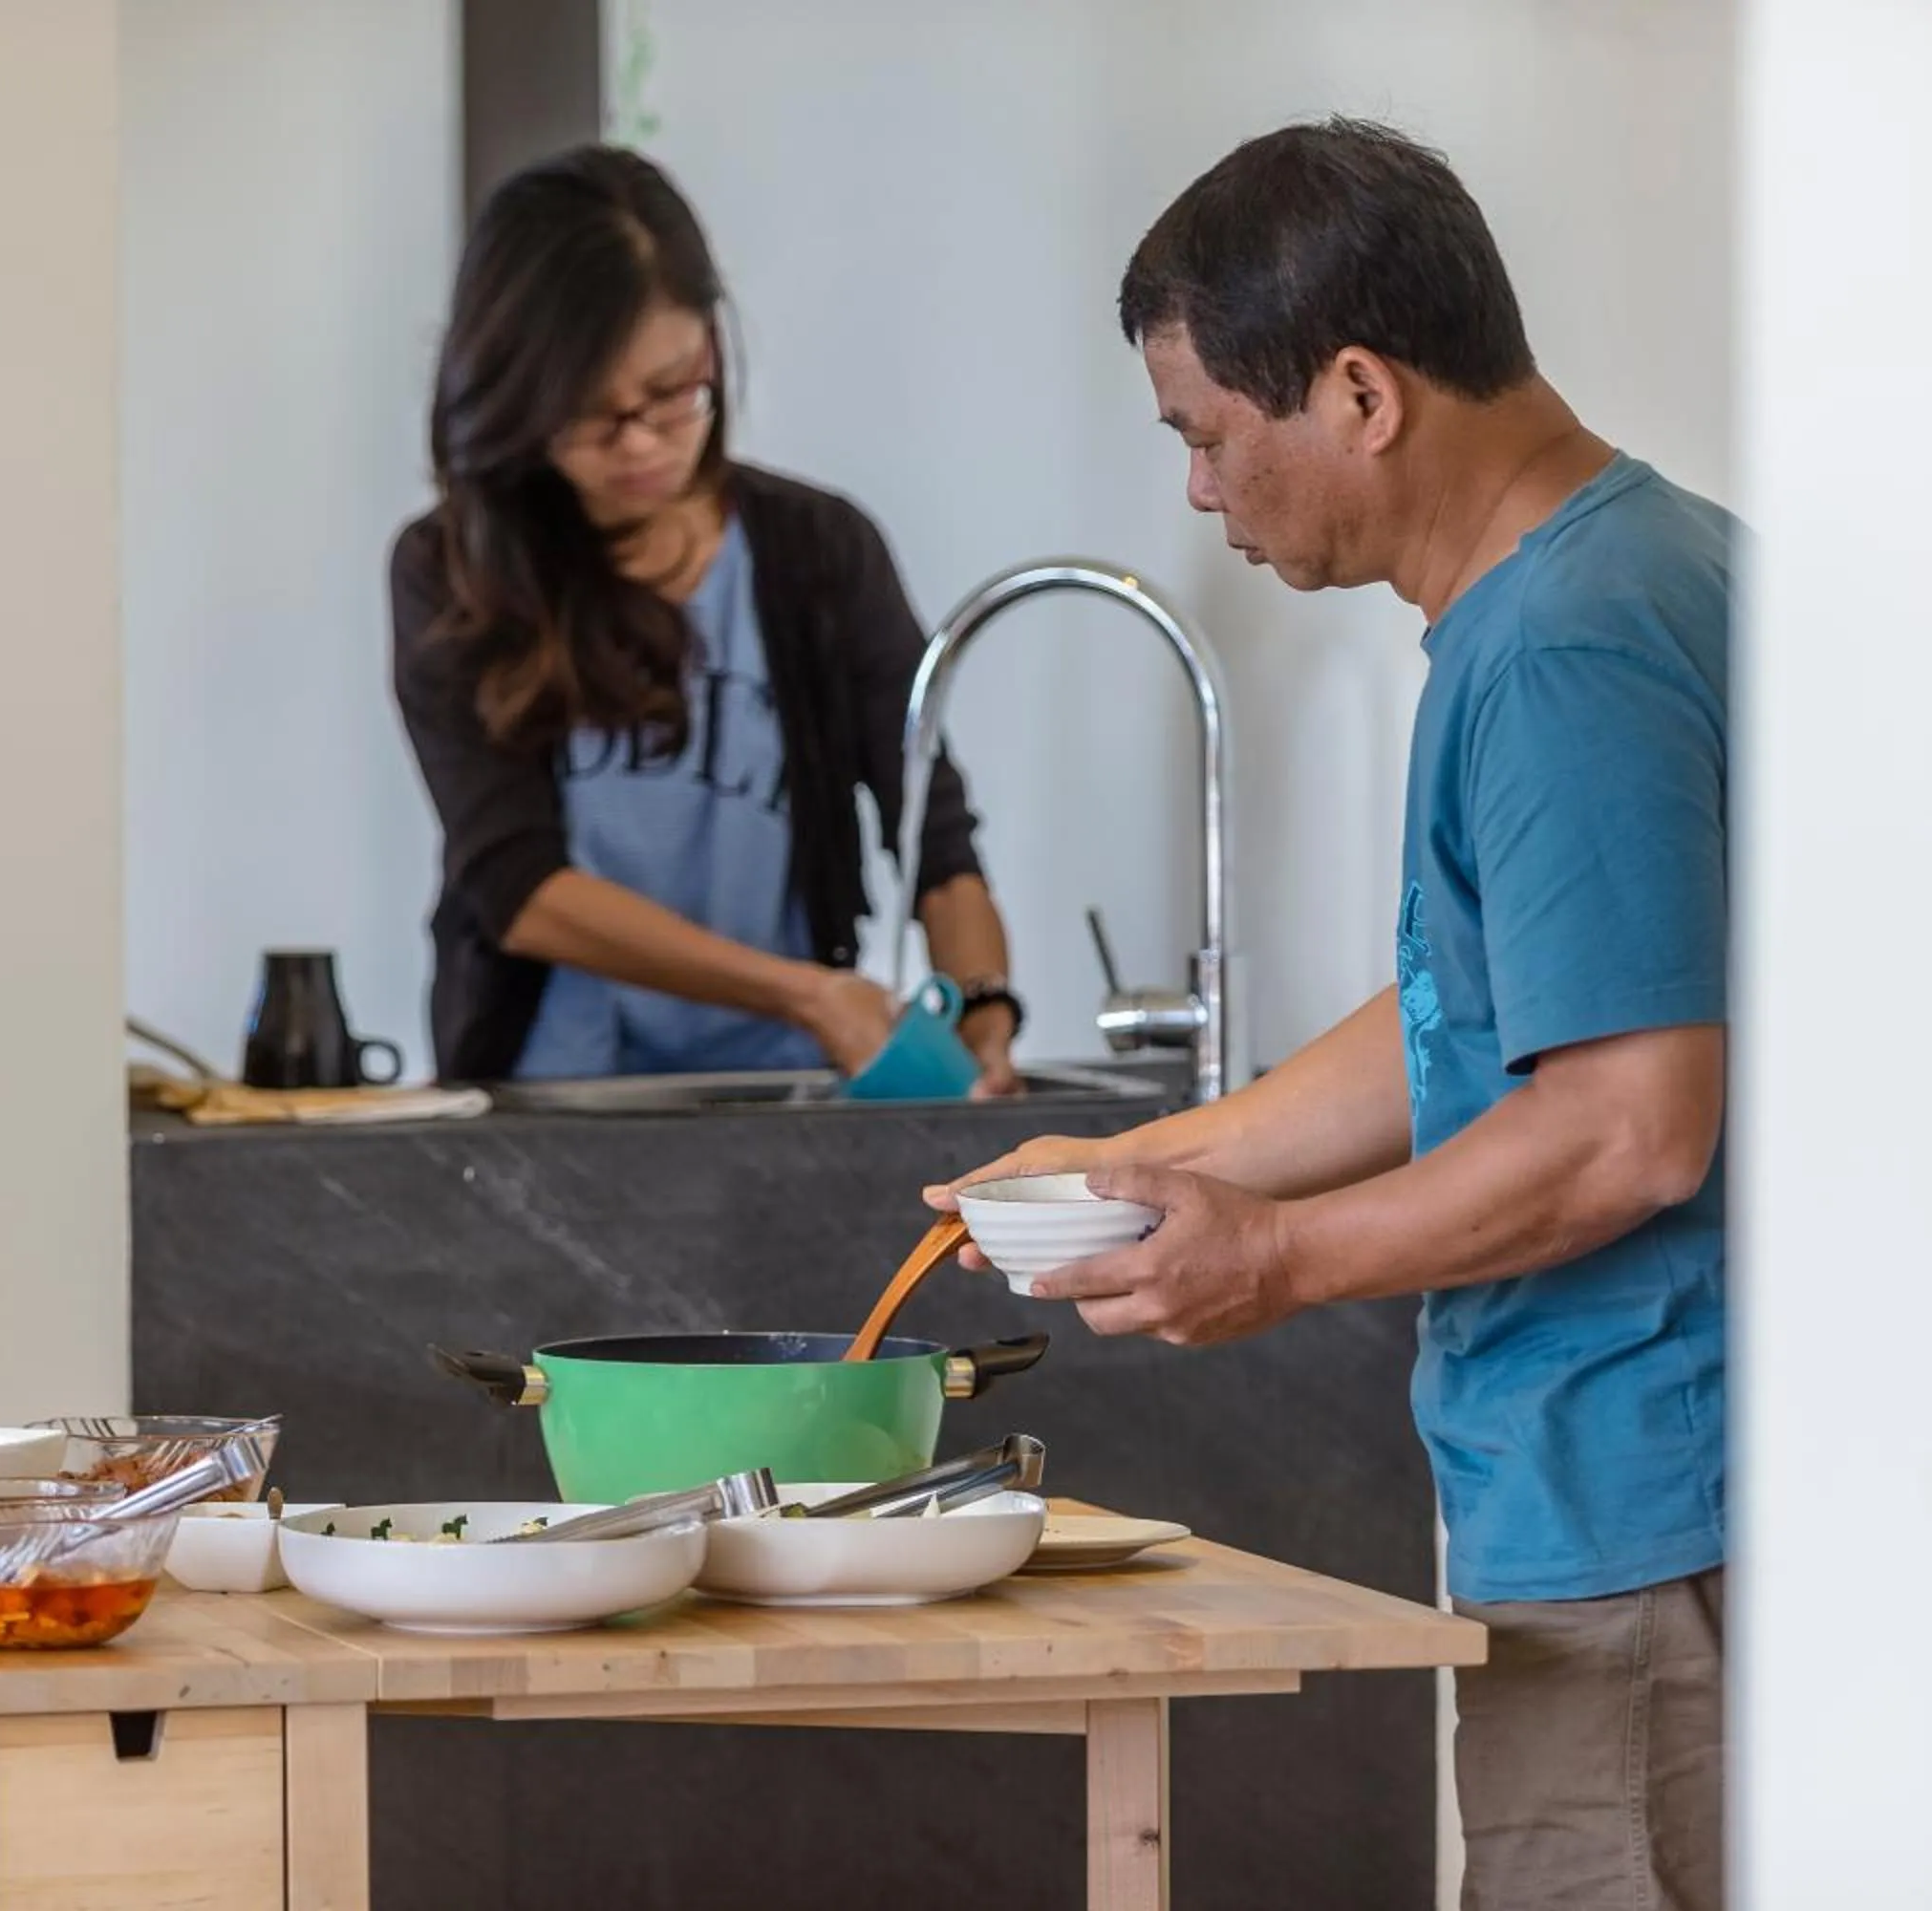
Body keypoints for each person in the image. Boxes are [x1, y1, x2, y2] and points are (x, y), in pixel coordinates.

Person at [931, 120, 1728, 1911]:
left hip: (1650, 1507)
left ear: (1361, 392)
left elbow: (1626, 1118)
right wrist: (1152, 1159)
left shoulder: (1564, 651)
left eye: (1210, 436)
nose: (1204, 495)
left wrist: (1274, 1259)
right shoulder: (1645, 568)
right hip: (1663, 1491)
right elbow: (1502, 998)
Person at [391, 145, 1023, 1088]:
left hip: (784, 1084)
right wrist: (802, 991)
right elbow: (518, 887)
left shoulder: (820, 550)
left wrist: (981, 1005)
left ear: (713, 350)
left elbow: (931, 827)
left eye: (672, 392)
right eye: (593, 416)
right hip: (546, 1090)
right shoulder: (452, 571)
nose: (643, 442)